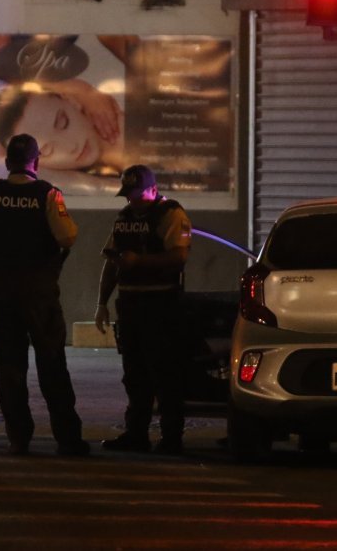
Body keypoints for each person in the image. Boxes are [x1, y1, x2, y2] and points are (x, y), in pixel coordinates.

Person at [0, 133, 91, 457]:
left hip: (3, 293)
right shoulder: (48, 194)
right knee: (53, 365)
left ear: (7, 163)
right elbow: (67, 237)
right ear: (36, 162)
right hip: (39, 295)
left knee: (9, 368)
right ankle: (67, 439)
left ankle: (18, 437)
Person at [95, 164, 192, 455]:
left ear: (153, 189)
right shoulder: (124, 217)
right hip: (130, 305)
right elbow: (112, 262)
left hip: (161, 304)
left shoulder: (170, 214)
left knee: (165, 374)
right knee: (134, 374)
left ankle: (171, 438)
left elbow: (179, 257)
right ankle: (136, 433)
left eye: (137, 194)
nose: (131, 200)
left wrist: (140, 262)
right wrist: (101, 303)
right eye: (128, 194)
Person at [0, 79, 124, 187]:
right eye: (47, 150)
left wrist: (84, 90)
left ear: (71, 101)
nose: (71, 147)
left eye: (63, 123)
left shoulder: (120, 130)